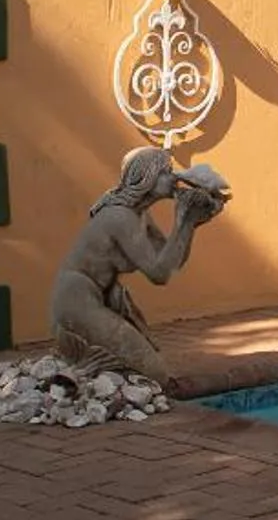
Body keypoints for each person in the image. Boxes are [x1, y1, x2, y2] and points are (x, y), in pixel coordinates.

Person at [49, 146, 228, 382]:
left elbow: (170, 262)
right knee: (155, 374)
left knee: (150, 372)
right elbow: (159, 274)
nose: (174, 177)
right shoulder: (121, 217)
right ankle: (79, 375)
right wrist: (181, 219)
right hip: (76, 299)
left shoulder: (140, 215)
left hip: (98, 295)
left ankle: (89, 375)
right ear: (147, 177)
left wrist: (191, 223)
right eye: (165, 172)